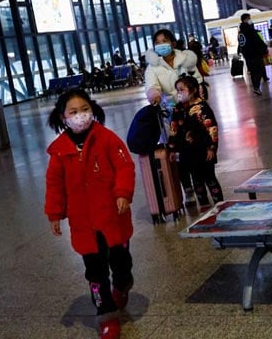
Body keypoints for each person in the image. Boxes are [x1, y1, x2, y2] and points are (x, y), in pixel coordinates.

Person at [44, 88, 136, 339]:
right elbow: (54, 185)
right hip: (84, 223)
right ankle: (106, 315)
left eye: (84, 109)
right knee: (94, 271)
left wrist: (122, 193)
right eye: (73, 112)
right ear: (63, 117)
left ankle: (122, 285)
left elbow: (125, 167)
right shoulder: (59, 151)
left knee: (121, 263)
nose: (80, 116)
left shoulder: (106, 138)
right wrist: (54, 214)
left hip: (112, 217)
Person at [168, 75, 224, 212]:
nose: (179, 93)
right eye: (178, 90)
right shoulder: (178, 108)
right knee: (196, 180)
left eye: (182, 90)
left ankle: (221, 206)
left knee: (210, 178)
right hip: (187, 152)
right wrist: (172, 148)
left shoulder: (202, 107)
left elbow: (212, 128)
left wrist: (212, 148)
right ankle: (204, 208)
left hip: (203, 150)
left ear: (192, 90)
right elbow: (173, 128)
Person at [144, 28, 200, 106]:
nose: (161, 45)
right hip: (170, 107)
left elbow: (197, 80)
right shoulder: (152, 67)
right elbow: (152, 85)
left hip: (192, 104)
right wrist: (154, 95)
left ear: (173, 43)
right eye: (157, 43)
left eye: (164, 41)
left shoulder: (186, 59)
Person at [238, 12, 269, 95]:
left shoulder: (240, 32)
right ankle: (256, 87)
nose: (250, 20)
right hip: (255, 53)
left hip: (247, 55)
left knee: (252, 71)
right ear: (246, 19)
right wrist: (264, 48)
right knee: (259, 69)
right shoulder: (249, 30)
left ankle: (256, 87)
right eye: (249, 18)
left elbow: (241, 43)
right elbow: (257, 40)